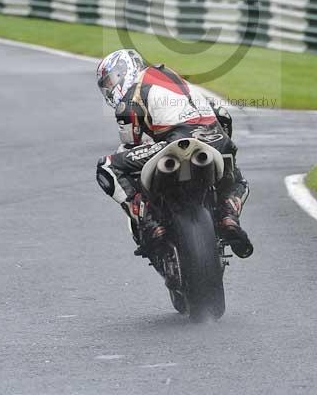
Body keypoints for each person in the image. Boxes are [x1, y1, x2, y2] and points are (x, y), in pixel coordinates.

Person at [96, 49, 253, 258]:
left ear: (125, 70)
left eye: (110, 81)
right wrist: (220, 143)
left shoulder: (132, 93)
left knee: (108, 166)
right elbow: (223, 115)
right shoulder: (174, 79)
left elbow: (131, 144)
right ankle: (228, 215)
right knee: (239, 181)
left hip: (177, 140)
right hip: (217, 140)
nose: (109, 88)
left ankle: (149, 220)